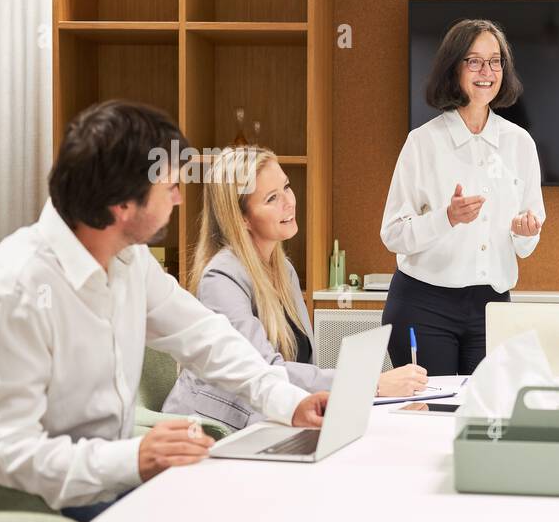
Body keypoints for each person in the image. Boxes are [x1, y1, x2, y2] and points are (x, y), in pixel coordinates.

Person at [0, 101, 327, 521]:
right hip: (49, 508)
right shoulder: (19, 287)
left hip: (114, 486)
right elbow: (12, 453)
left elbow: (207, 336)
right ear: (122, 207)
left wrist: (287, 401)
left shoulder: (129, 261)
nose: (178, 197)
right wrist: (132, 458)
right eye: (168, 187)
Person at [162, 147, 428, 429]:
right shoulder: (221, 278)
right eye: (271, 198)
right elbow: (264, 372)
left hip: (272, 420)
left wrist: (381, 400)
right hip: (214, 432)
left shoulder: (282, 269)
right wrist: (368, 384)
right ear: (241, 217)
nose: (289, 202)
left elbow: (300, 367)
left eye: (286, 187)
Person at [380, 18, 546, 374]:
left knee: (484, 418)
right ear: (453, 68)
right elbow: (393, 234)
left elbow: (524, 246)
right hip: (424, 304)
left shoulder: (520, 144)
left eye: (495, 60)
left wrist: (525, 231)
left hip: (492, 306)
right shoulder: (423, 143)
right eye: (474, 60)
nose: (486, 71)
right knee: (432, 418)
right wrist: (447, 218)